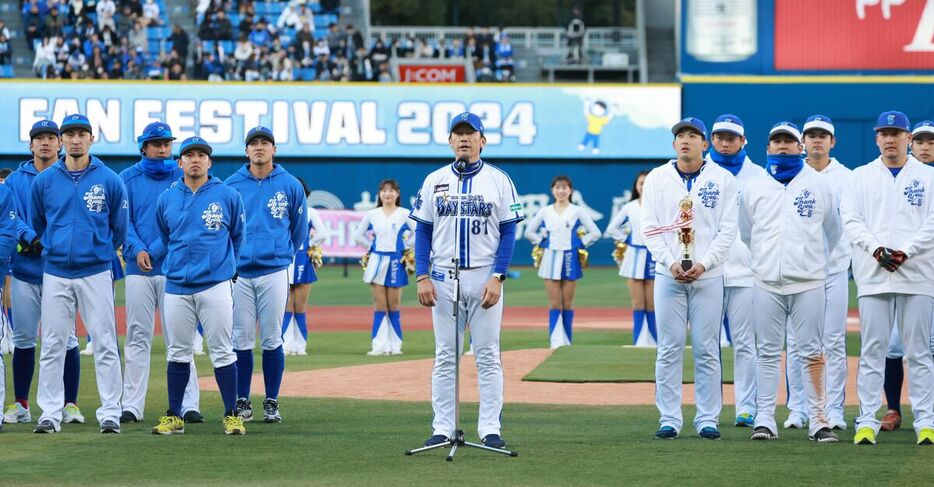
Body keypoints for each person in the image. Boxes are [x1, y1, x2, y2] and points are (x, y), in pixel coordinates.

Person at [411, 112, 523, 450]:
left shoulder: (499, 179)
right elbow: (422, 229)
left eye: (470, 134)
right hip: (444, 277)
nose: (464, 139)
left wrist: (498, 276)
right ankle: (443, 428)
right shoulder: (434, 180)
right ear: (449, 141)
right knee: (446, 355)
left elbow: (509, 231)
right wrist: (422, 274)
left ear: (482, 141)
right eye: (458, 134)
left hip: (484, 275)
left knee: (488, 355)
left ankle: (490, 429)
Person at [740, 121, 842, 443]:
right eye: (777, 142)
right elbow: (747, 232)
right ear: (767, 148)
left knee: (812, 351)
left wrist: (810, 261)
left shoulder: (818, 184)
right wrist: (764, 262)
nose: (783, 147)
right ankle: (765, 418)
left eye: (789, 141)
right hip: (766, 280)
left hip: (808, 281)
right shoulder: (754, 186)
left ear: (800, 147)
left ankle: (818, 420)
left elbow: (833, 231)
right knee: (768, 351)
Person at [641, 117, 738, 440]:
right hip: (668, 274)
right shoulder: (658, 177)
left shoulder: (722, 178)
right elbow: (649, 228)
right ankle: (669, 418)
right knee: (668, 347)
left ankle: (707, 418)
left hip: (708, 275)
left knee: (707, 348)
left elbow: (728, 231)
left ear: (704, 144)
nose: (686, 140)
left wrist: (706, 263)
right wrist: (669, 262)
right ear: (673, 144)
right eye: (680, 135)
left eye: (693, 135)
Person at [30, 114, 128, 434]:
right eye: (69, 134)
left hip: (95, 270)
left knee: (104, 342)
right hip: (56, 270)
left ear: (91, 138)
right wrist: (57, 247)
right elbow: (39, 223)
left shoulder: (110, 180)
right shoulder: (44, 181)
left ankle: (111, 410)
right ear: (61, 141)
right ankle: (50, 412)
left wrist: (98, 251)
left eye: (81, 134)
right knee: (54, 342)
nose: (75, 140)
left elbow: (118, 229)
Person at [844, 111, 934, 446]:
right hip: (874, 273)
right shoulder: (860, 176)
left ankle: (927, 421)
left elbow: (932, 222)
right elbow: (851, 219)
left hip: (918, 274)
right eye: (884, 133)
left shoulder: (927, 176)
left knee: (920, 352)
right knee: (873, 350)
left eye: (897, 133)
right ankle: (866, 421)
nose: (890, 139)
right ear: (876, 138)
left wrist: (906, 251)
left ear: (908, 138)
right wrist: (876, 248)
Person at [151, 136, 246, 435]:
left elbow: (238, 237)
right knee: (178, 352)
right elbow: (166, 238)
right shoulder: (166, 198)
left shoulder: (228, 195)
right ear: (179, 162)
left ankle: (232, 415)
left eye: (201, 155)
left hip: (214, 284)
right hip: (177, 285)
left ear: (210, 162)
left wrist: (225, 268)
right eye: (189, 154)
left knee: (222, 351)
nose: (195, 159)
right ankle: (174, 415)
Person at [119, 122, 202, 425]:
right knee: (137, 336)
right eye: (156, 143)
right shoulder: (126, 178)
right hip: (136, 268)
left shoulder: (182, 178)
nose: (163, 148)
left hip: (173, 267)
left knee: (180, 339)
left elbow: (185, 222)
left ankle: (189, 403)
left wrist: (151, 251)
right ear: (143, 147)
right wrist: (137, 248)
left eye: (167, 143)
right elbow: (121, 221)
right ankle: (131, 405)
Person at [3, 121, 84, 425]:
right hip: (25, 269)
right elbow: (12, 217)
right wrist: (29, 237)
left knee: (66, 338)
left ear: (59, 143)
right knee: (24, 337)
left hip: (60, 269)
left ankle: (70, 403)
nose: (46, 143)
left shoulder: (70, 176)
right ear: (31, 145)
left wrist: (51, 242)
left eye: (51, 137)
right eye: (40, 138)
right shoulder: (15, 181)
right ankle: (21, 403)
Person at [227, 126, 307, 424]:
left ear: (274, 149)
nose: (259, 148)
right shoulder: (232, 184)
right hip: (240, 273)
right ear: (246, 150)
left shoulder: (290, 184)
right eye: (254, 143)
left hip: (274, 270)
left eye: (265, 143)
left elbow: (297, 232)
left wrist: (281, 253)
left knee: (272, 337)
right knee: (242, 337)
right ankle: (242, 399)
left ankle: (271, 400)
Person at [703, 114, 765, 428]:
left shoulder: (760, 175)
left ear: (743, 141)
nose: (725, 143)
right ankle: (710, 412)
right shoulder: (700, 174)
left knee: (745, 343)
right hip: (709, 270)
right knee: (708, 344)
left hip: (747, 270)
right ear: (711, 140)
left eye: (732, 137)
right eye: (720, 137)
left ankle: (746, 407)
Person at [795, 115, 852, 432]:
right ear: (803, 141)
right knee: (799, 341)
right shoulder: (791, 174)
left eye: (823, 135)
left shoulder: (847, 177)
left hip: (834, 268)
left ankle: (834, 410)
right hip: (799, 270)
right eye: (811, 135)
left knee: (833, 340)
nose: (817, 140)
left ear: (833, 141)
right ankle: (798, 408)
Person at [879, 119, 934, 432]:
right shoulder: (898, 181)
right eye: (921, 141)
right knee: (895, 344)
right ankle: (893, 409)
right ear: (911, 143)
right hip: (909, 272)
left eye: (931, 142)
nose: (926, 147)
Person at [523, 175, 600, 348]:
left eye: (564, 187)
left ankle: (567, 341)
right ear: (552, 190)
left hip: (570, 258)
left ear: (570, 190)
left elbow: (595, 232)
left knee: (567, 302)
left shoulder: (577, 210)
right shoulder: (545, 211)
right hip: (550, 258)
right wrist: (542, 241)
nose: (561, 191)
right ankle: (555, 341)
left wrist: (580, 243)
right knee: (554, 303)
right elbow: (529, 232)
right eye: (557, 187)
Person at [353, 179, 416, 356]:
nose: (387, 194)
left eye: (391, 190)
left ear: (397, 193)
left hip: (397, 261)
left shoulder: (405, 213)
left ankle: (395, 346)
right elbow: (358, 235)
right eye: (384, 191)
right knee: (380, 305)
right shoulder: (372, 214)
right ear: (379, 194)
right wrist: (371, 247)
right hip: (377, 261)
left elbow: (418, 233)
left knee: (394, 305)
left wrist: (406, 247)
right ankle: (379, 346)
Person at [604, 171, 655, 346]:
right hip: (634, 256)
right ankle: (639, 341)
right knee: (638, 303)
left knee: (653, 304)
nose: (644, 186)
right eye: (641, 183)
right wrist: (627, 239)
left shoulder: (659, 205)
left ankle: (655, 341)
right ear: (636, 186)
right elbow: (611, 229)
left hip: (654, 256)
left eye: (648, 182)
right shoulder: (630, 207)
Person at [282, 177, 327, 355]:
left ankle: (300, 346)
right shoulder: (282, 211)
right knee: (285, 307)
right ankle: (285, 345)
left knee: (299, 306)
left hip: (302, 260)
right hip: (284, 261)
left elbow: (322, 234)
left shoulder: (311, 212)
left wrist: (309, 245)